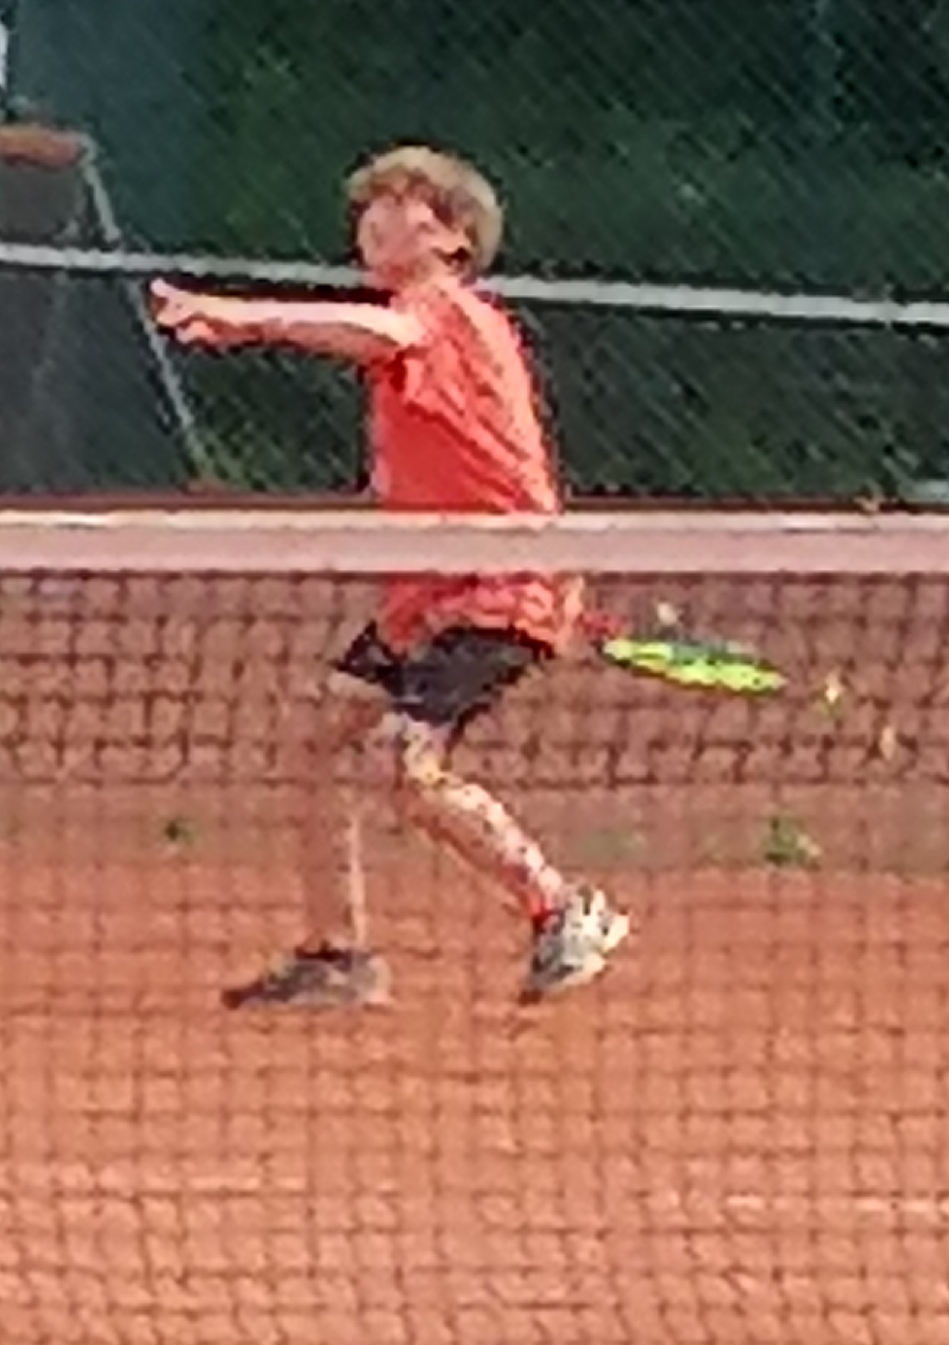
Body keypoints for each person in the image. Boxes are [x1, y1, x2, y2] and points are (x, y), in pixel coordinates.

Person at [148, 146, 630, 1008]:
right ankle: (338, 956)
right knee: (314, 740)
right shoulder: (415, 325)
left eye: (402, 203)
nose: (373, 218)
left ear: (452, 238)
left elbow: (383, 334)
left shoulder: (449, 311)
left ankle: (563, 909)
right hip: (428, 595)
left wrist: (247, 318)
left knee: (403, 764)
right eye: (370, 204)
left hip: (499, 586)